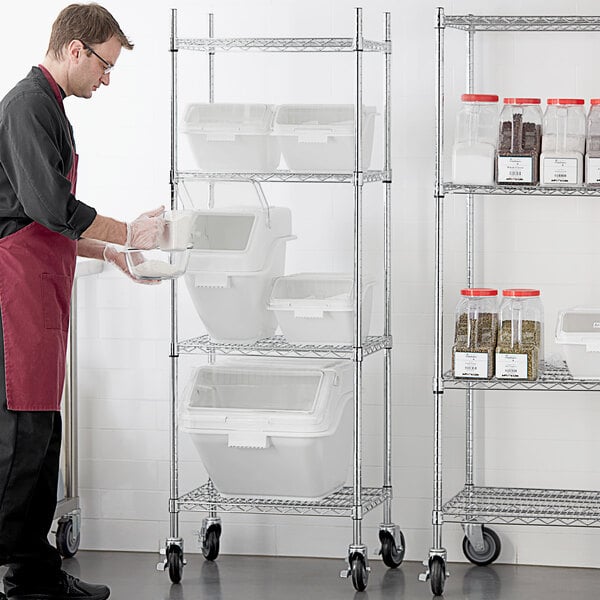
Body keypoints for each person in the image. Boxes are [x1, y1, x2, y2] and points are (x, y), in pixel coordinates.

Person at [0, 4, 165, 600]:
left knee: (43, 438)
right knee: (18, 440)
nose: (107, 77)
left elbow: (48, 222)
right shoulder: (26, 106)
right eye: (104, 64)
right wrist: (125, 232)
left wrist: (109, 255)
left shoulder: (52, 111)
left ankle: (32, 573)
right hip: (16, 293)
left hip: (43, 289)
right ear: (75, 48)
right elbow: (45, 208)